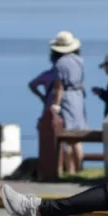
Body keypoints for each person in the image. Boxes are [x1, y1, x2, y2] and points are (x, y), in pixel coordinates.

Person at [28, 31, 87, 176]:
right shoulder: (79, 60)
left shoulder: (60, 64)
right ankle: (79, 169)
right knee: (78, 137)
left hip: (66, 98)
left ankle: (71, 171)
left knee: (65, 135)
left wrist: (56, 104)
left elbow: (59, 86)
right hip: (78, 97)